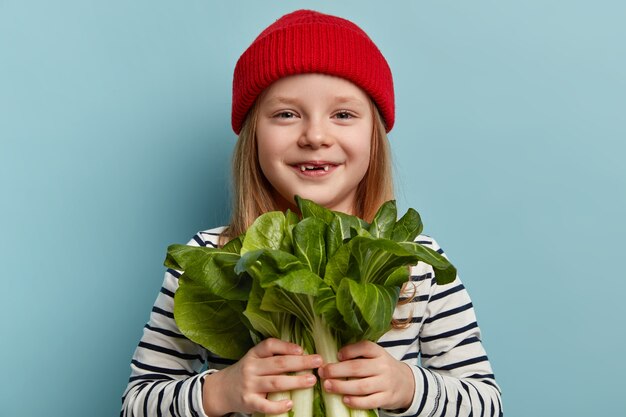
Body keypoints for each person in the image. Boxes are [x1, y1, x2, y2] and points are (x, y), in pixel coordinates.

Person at [121, 9, 502, 417]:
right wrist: (222, 391)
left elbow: (486, 404)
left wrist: (408, 386)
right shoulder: (213, 256)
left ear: (375, 134)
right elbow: (137, 404)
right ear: (253, 136)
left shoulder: (414, 262)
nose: (316, 136)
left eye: (343, 114)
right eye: (286, 114)